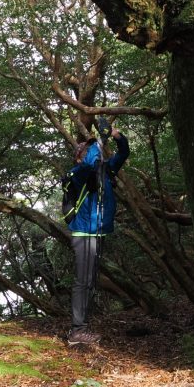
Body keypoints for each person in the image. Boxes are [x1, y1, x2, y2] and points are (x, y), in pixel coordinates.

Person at [65, 120, 129, 346]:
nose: (96, 152)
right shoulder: (79, 172)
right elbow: (91, 162)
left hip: (97, 233)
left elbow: (123, 153)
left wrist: (115, 136)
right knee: (82, 281)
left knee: (90, 280)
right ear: (80, 156)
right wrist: (99, 140)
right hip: (83, 233)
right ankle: (76, 331)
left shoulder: (104, 169)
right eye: (89, 149)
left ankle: (83, 326)